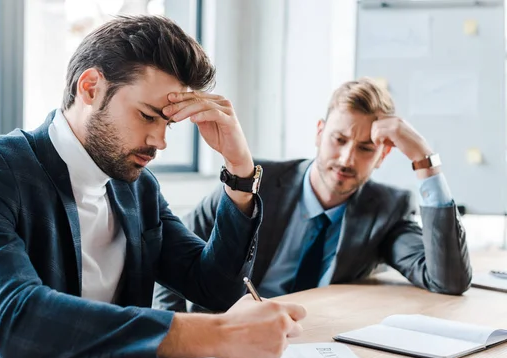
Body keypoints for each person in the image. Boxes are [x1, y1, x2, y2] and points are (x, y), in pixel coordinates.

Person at [0, 15, 306, 358]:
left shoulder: (137, 189)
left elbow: (215, 287)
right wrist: (219, 336)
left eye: (169, 123)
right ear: (90, 88)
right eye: (147, 116)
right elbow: (16, 320)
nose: (160, 141)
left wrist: (239, 171)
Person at [154, 77, 472, 312]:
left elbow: (448, 281)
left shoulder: (387, 209)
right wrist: (176, 339)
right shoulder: (253, 180)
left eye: (365, 148)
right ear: (319, 133)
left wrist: (424, 159)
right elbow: (169, 263)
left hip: (314, 341)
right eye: (339, 139)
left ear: (383, 156)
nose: (347, 159)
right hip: (224, 333)